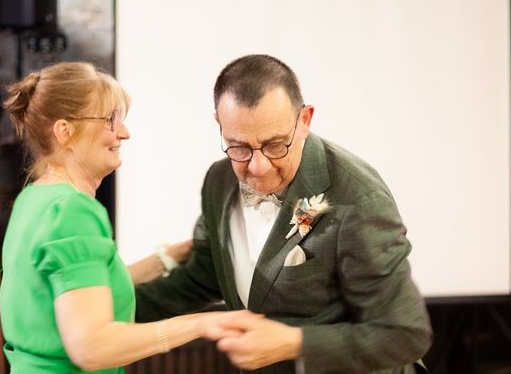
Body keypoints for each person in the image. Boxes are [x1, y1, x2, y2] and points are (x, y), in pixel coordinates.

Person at [135, 54, 433, 373]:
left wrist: (293, 343)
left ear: (304, 120)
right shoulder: (218, 182)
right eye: (239, 147)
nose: (258, 167)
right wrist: (103, 310)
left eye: (276, 145)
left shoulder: (357, 197)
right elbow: (202, 277)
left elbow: (404, 334)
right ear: (219, 125)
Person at [0, 61, 257, 374]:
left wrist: (165, 259)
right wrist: (202, 324)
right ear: (64, 131)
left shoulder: (34, 200)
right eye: (110, 120)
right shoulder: (72, 211)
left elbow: (79, 287)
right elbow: (92, 348)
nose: (124, 132)